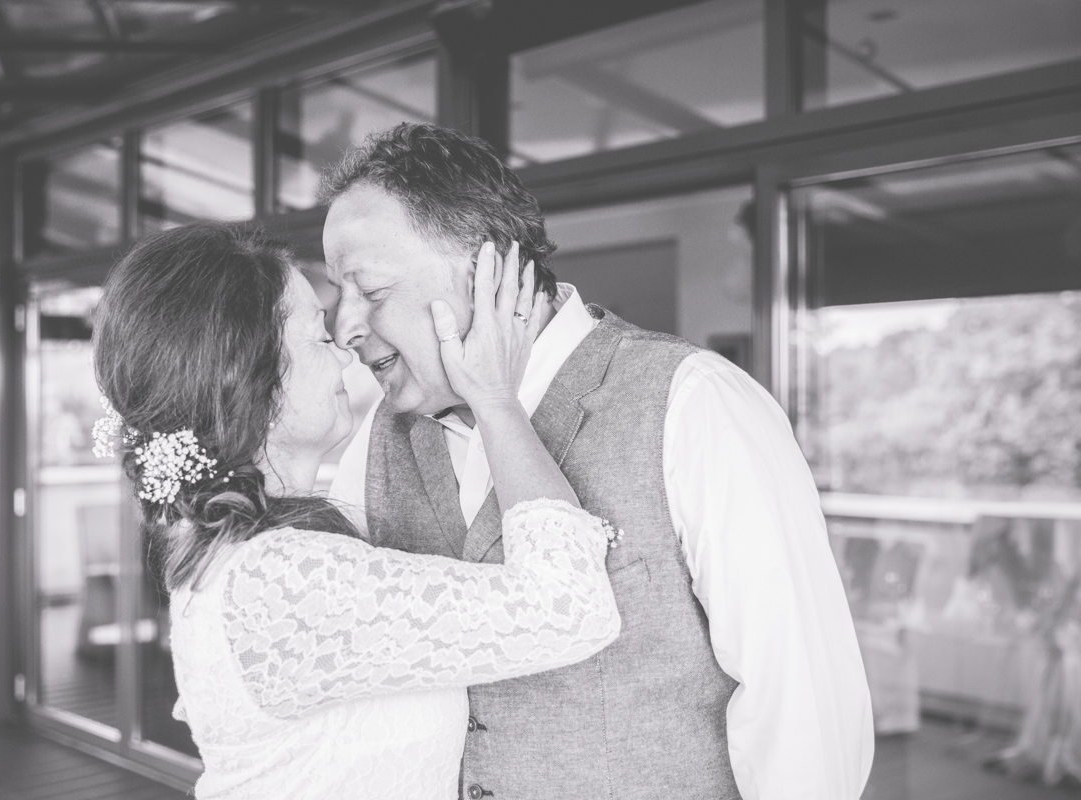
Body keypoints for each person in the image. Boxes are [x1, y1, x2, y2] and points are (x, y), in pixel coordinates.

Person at [324, 123, 875, 799]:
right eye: (335, 294)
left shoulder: (696, 403)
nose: (344, 326)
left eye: (370, 292)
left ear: (487, 263)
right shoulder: (378, 438)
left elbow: (804, 715)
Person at [91, 222, 622, 800]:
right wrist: (494, 398)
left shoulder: (250, 558)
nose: (346, 352)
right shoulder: (278, 578)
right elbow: (568, 608)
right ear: (246, 376)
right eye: (319, 337)